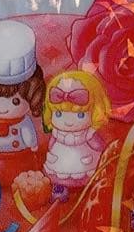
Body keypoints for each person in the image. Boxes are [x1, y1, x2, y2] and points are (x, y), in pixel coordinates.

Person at [0, 20, 46, 187]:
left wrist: (33, 145)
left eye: (15, 101)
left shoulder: (23, 124)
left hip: (19, 162)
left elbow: (29, 137)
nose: (2, 108)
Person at [41, 70, 110, 201]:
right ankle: (60, 188)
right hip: (59, 162)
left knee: (89, 178)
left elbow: (99, 146)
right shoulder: (57, 132)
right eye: (59, 114)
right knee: (58, 173)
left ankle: (88, 190)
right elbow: (50, 145)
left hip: (85, 163)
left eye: (80, 115)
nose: (68, 122)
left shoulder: (88, 133)